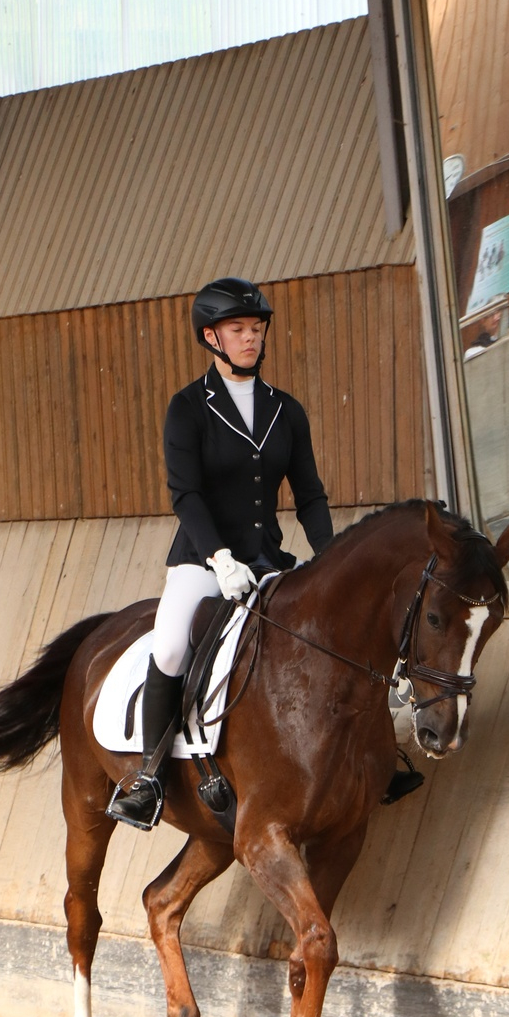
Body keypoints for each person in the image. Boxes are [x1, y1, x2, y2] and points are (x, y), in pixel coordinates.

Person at [107, 275, 334, 830]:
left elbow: (309, 495)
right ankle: (151, 777)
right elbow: (185, 493)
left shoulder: (287, 411)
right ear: (211, 336)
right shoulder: (187, 408)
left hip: (268, 561)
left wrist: (330, 558)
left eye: (256, 329)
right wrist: (219, 558)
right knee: (168, 647)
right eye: (239, 330)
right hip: (203, 561)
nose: (251, 339)